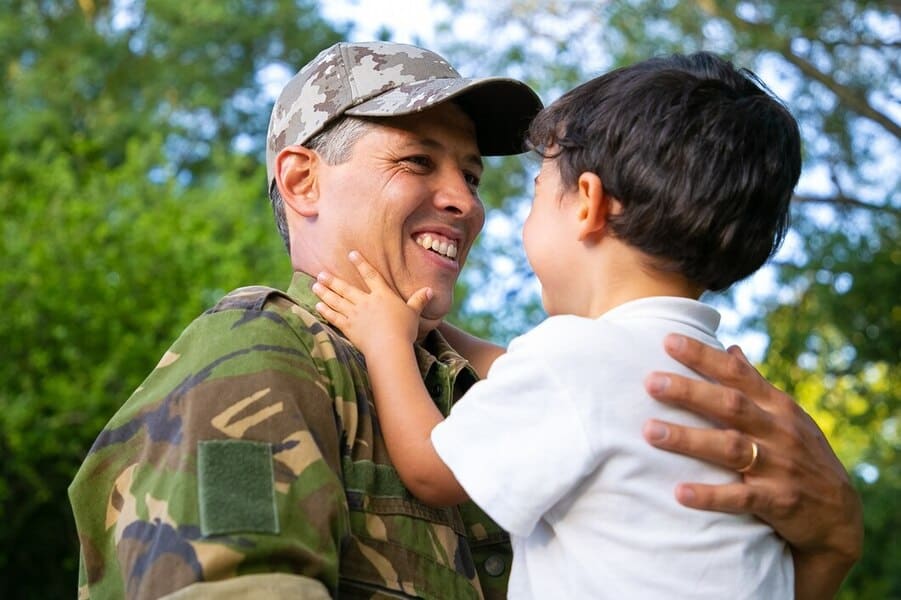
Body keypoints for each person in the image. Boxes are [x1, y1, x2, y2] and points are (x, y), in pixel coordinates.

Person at [68, 41, 862, 600]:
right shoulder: (257, 356)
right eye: (418, 161)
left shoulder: (489, 386)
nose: (467, 201)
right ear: (302, 181)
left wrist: (829, 542)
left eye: (474, 175)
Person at [311, 51, 814, 598]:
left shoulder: (574, 361)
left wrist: (386, 341)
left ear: (587, 204)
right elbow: (526, 377)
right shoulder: (715, 381)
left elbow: (434, 470)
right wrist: (425, 325)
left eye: (536, 193)